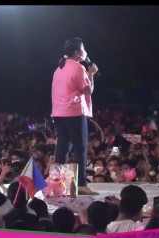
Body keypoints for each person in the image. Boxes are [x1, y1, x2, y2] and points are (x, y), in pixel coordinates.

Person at [51, 38, 99, 195]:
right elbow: (88, 90)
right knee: (80, 148)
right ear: (78, 53)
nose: (86, 52)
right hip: (74, 112)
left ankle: (57, 184)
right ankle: (81, 185)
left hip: (58, 113)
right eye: (84, 49)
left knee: (63, 147)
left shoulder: (59, 68)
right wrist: (91, 74)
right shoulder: (78, 68)